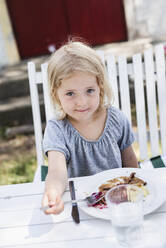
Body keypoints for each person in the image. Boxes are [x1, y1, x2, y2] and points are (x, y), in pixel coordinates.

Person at [42, 40, 138, 215]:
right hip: (83, 205)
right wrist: (54, 194)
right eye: (70, 93)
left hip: (119, 203)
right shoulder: (57, 128)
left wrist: (137, 190)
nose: (82, 102)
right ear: (56, 94)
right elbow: (56, 171)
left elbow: (130, 161)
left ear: (100, 87)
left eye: (89, 91)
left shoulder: (116, 119)